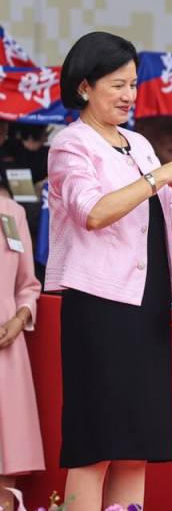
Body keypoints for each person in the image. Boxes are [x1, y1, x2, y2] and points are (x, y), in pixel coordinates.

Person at [46, 31, 172, 510]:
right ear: (85, 86)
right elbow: (93, 211)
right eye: (117, 85)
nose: (128, 96)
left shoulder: (140, 145)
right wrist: (162, 175)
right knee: (97, 442)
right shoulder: (70, 145)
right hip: (99, 306)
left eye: (132, 85)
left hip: (147, 304)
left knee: (136, 447)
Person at [0, 171, 44, 511]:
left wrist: (19, 317)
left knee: (7, 455)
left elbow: (28, 284)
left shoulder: (10, 214)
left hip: (5, 348)